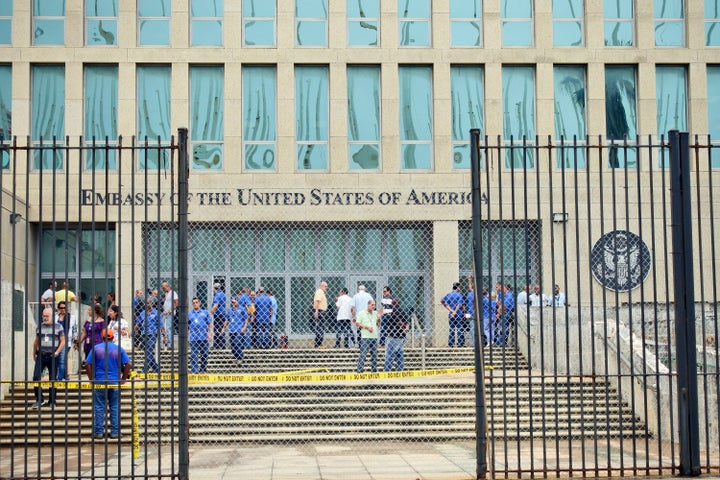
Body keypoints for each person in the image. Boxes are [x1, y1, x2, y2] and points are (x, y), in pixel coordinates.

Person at [84, 328, 131, 440]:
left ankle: (98, 432)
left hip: (100, 381)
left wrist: (91, 379)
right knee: (114, 407)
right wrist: (123, 379)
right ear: (113, 337)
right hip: (114, 382)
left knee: (99, 407)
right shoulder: (118, 349)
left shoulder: (96, 348)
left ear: (102, 337)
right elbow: (128, 364)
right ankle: (115, 432)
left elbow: (87, 364)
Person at [31, 307, 65, 409]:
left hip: (52, 356)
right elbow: (36, 341)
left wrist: (57, 352)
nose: (45, 318)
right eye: (43, 316)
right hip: (41, 355)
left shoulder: (59, 327)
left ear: (52, 316)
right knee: (36, 377)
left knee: (53, 378)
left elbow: (63, 341)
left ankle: (52, 400)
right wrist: (34, 353)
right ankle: (39, 399)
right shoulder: (39, 327)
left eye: (47, 316)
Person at [134, 300, 163, 373]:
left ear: (151, 303)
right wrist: (133, 330)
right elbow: (138, 325)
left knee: (149, 351)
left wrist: (165, 337)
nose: (147, 304)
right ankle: (157, 370)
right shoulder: (142, 313)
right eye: (146, 303)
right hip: (144, 335)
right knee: (148, 353)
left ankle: (144, 371)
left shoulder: (156, 313)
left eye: (148, 303)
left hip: (153, 334)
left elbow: (161, 326)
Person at [354, 300, 381, 373]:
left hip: (374, 337)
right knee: (363, 354)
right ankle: (360, 371)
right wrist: (367, 327)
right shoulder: (361, 313)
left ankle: (374, 371)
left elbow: (378, 324)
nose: (373, 306)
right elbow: (357, 323)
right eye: (372, 305)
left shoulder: (375, 313)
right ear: (368, 305)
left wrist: (378, 318)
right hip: (366, 337)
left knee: (374, 355)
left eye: (374, 305)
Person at [383, 299, 409, 372]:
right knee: (399, 355)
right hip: (401, 336)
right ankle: (399, 370)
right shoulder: (403, 312)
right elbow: (406, 323)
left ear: (392, 304)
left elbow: (398, 322)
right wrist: (405, 329)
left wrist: (389, 318)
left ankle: (386, 371)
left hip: (393, 336)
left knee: (389, 355)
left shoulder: (394, 312)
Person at [188, 298, 213, 373]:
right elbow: (187, 325)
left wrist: (210, 334)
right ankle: (194, 371)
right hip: (193, 337)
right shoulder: (189, 314)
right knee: (194, 355)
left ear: (199, 303)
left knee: (204, 354)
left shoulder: (205, 312)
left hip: (203, 336)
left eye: (196, 302)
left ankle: (203, 369)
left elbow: (210, 324)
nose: (195, 304)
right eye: (193, 303)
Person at [54, 300, 77, 380]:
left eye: (64, 308)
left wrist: (75, 342)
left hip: (66, 341)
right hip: (57, 341)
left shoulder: (72, 317)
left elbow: (74, 329)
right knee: (60, 359)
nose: (63, 309)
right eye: (61, 308)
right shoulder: (55, 317)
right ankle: (65, 375)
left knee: (62, 360)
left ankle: (59, 378)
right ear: (58, 308)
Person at [223, 297, 249, 365]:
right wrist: (223, 328)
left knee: (237, 343)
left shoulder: (242, 309)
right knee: (233, 346)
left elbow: (246, 319)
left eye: (234, 302)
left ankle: (240, 358)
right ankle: (237, 357)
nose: (233, 303)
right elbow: (227, 320)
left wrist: (244, 327)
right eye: (232, 302)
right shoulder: (230, 310)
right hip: (232, 330)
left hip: (239, 329)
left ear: (237, 302)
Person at [441, 282, 465, 348]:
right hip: (459, 314)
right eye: (459, 287)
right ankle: (460, 344)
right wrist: (455, 311)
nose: (460, 288)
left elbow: (442, 301)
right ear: (457, 288)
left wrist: (451, 311)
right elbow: (459, 304)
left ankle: (451, 344)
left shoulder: (449, 295)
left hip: (451, 315)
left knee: (451, 329)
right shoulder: (459, 295)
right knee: (460, 329)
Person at [161, 281, 178, 349]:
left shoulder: (173, 293)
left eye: (163, 287)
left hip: (169, 313)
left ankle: (170, 344)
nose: (162, 289)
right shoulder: (166, 294)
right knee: (163, 329)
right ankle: (164, 344)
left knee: (168, 328)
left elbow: (176, 302)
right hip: (165, 313)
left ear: (167, 286)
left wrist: (171, 310)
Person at [210, 283, 227, 349]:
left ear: (214, 288)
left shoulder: (217, 295)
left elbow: (215, 305)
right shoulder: (223, 294)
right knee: (221, 329)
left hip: (218, 314)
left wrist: (211, 313)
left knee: (217, 329)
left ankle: (217, 345)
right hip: (222, 313)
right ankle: (221, 344)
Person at [312, 281, 328, 349]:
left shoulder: (321, 292)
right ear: (322, 286)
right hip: (320, 311)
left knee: (320, 328)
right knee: (320, 328)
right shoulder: (319, 292)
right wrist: (316, 311)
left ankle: (318, 343)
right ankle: (318, 344)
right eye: (325, 286)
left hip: (321, 311)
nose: (326, 288)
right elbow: (317, 301)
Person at [465, 279, 476, 348]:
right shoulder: (477, 294)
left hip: (470, 313)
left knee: (472, 328)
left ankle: (473, 343)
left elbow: (470, 288)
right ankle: (475, 343)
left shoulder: (469, 294)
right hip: (475, 313)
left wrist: (469, 280)